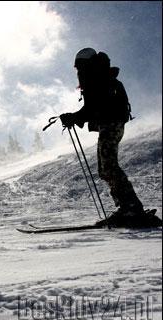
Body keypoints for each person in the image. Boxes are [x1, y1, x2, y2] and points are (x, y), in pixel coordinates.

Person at [59, 48, 144, 221]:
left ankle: (131, 208)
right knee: (105, 168)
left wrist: (74, 117)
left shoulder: (96, 77)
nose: (78, 71)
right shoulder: (101, 76)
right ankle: (127, 207)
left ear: (85, 62)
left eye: (79, 66)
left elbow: (95, 106)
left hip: (111, 123)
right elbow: (95, 106)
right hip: (111, 123)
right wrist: (76, 117)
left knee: (109, 167)